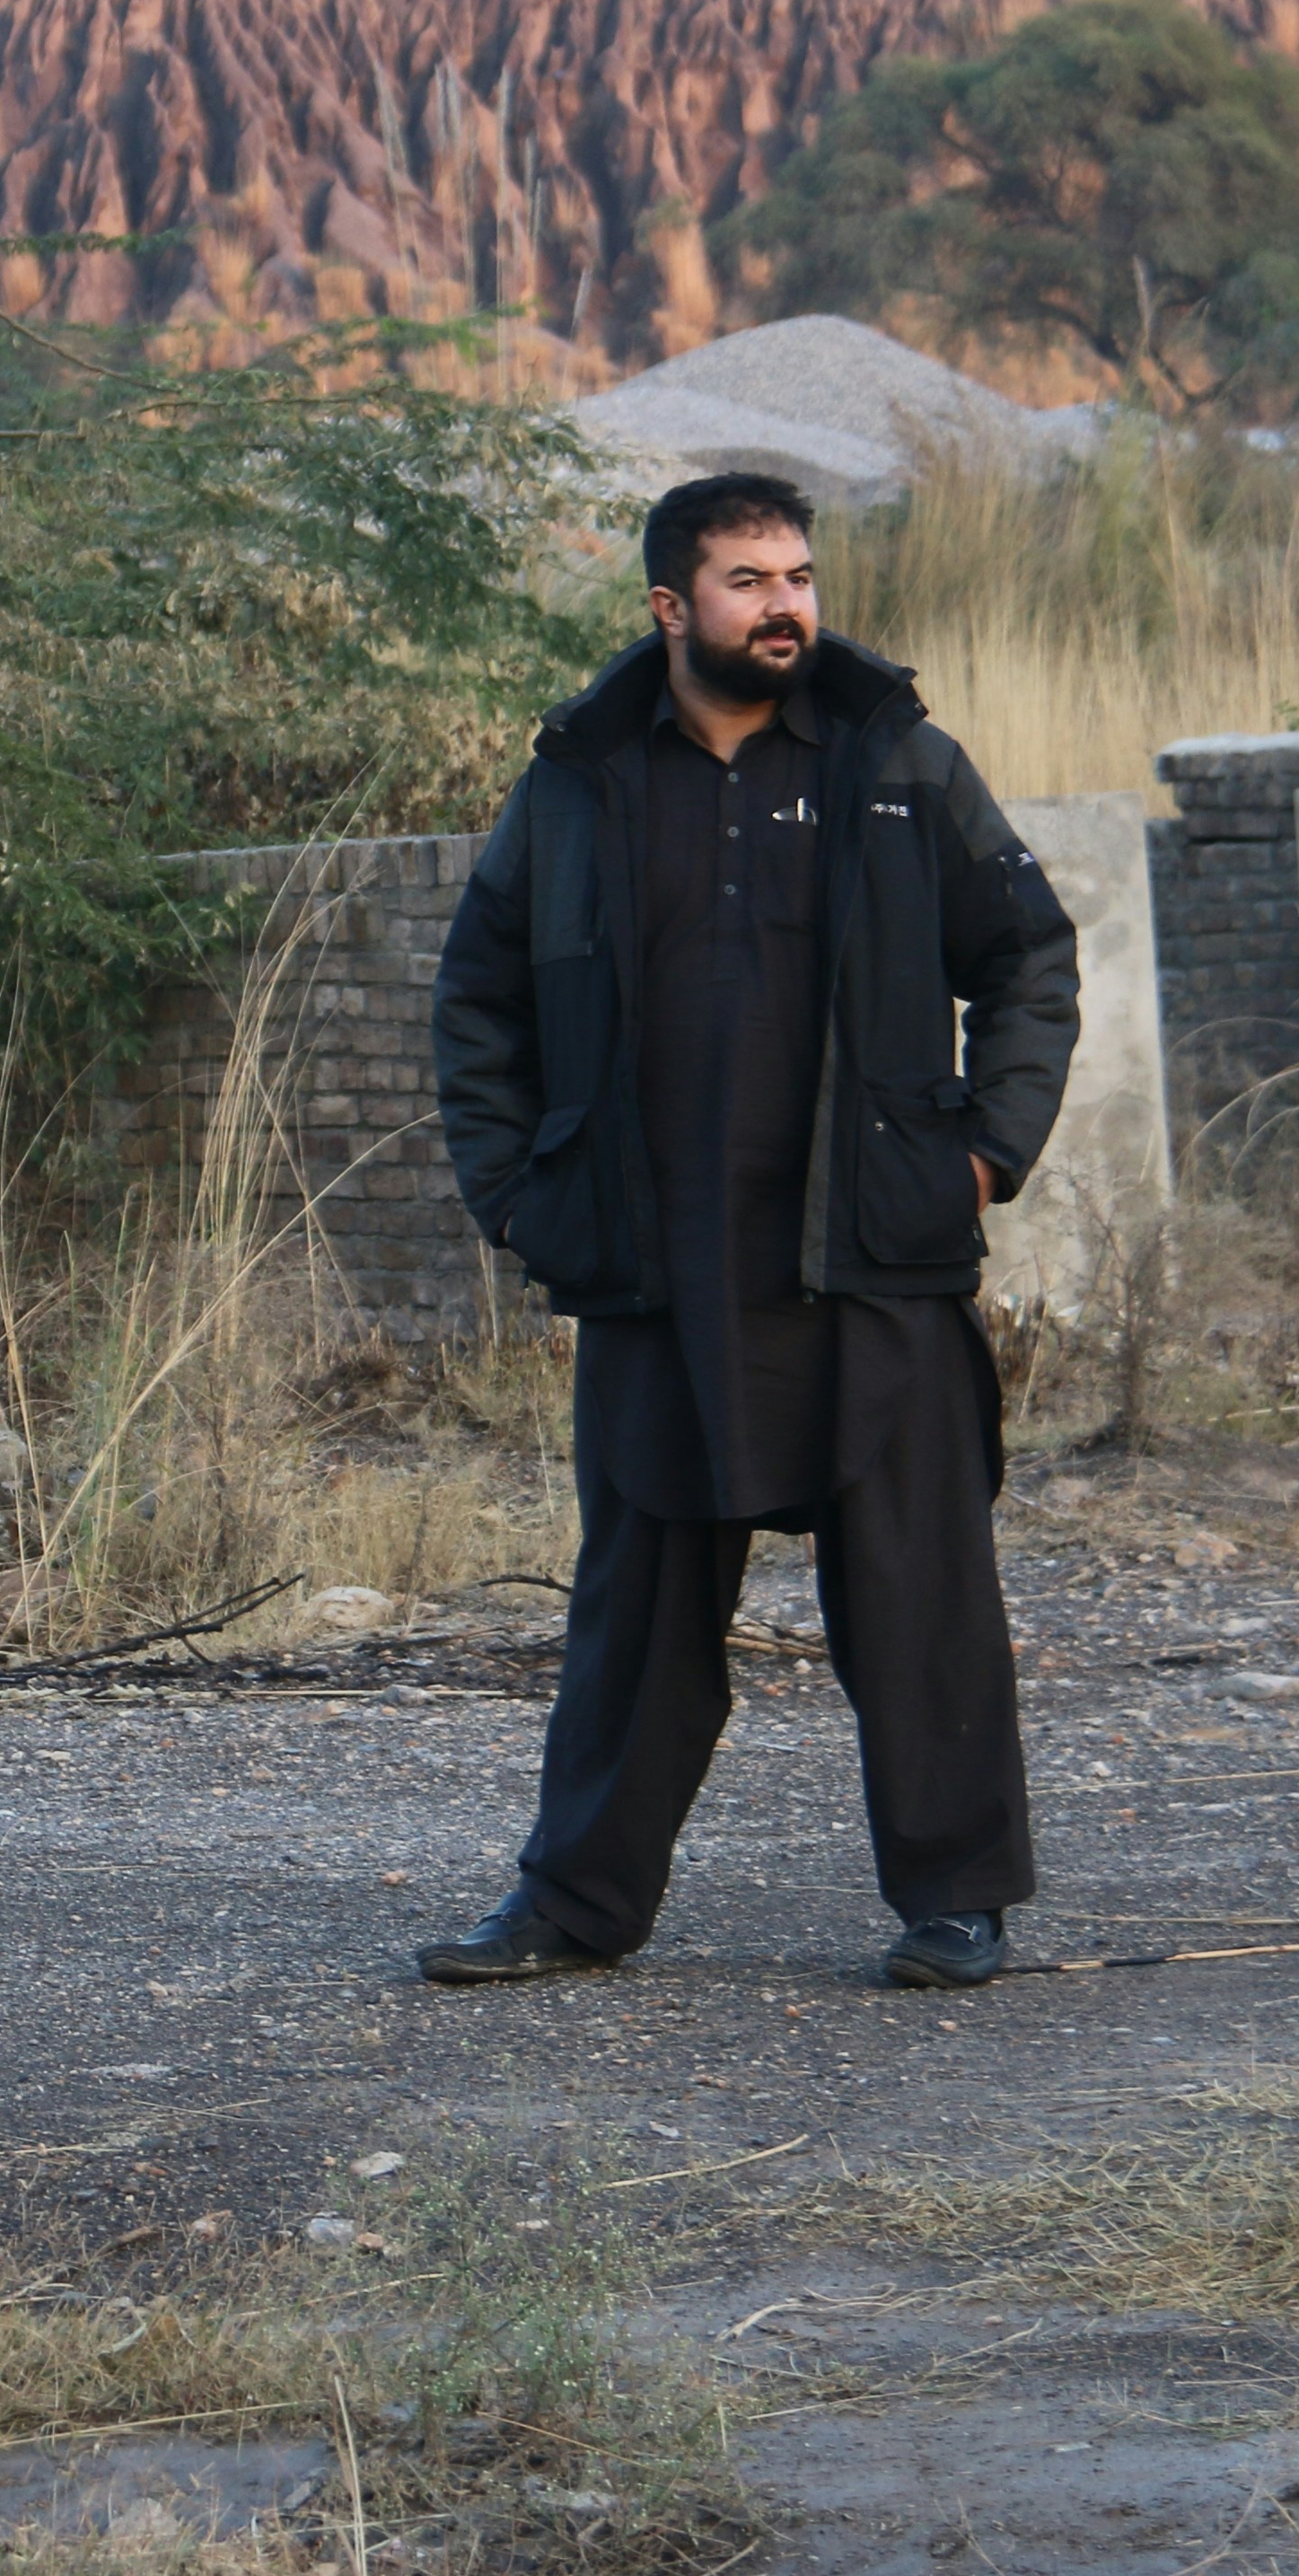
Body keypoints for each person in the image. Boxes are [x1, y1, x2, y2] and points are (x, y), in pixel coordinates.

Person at [418, 472, 1079, 1993]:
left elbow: (1030, 957)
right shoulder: (581, 783)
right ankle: (575, 1905)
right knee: (635, 1619)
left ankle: (957, 1899)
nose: (787, 605)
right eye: (747, 580)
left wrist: (985, 1157)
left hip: (871, 1261)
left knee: (922, 1602)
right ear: (669, 606)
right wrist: (515, 1194)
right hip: (663, 1274)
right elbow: (479, 997)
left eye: (799, 575)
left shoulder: (897, 761)